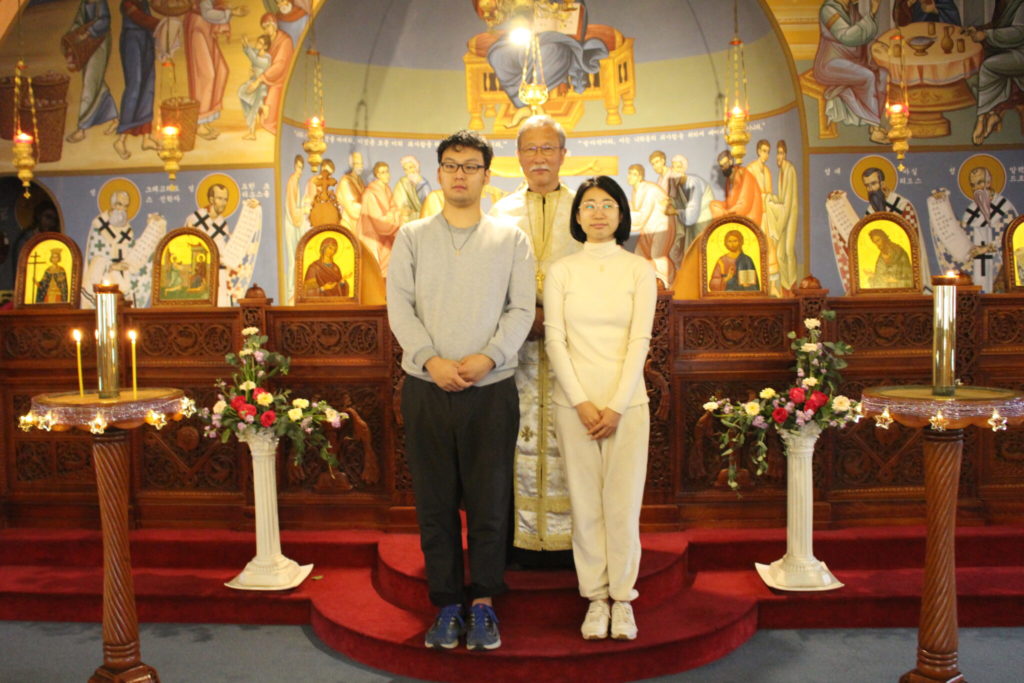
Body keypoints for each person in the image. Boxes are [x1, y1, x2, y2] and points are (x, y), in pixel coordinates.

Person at [387, 130, 534, 651]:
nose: (459, 174)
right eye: (450, 165)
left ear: (486, 176)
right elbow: (400, 307)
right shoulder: (412, 235)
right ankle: (447, 603)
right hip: (427, 387)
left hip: (491, 389)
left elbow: (522, 309)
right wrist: (431, 359)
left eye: (470, 166)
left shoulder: (510, 238)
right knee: (435, 502)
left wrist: (487, 357)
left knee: (491, 500)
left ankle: (484, 604)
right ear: (439, 172)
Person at [543, 175, 656, 641]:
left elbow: (640, 340)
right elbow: (554, 340)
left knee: (623, 504)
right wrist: (582, 402)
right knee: (586, 504)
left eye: (607, 204)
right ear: (577, 216)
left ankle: (623, 601)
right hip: (575, 405)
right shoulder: (562, 271)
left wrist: (615, 405)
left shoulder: (639, 269)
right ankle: (595, 598)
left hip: (628, 405)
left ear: (621, 214)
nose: (597, 213)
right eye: (588, 205)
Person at [489, 115, 580, 564]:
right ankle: (519, 544)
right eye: (530, 149)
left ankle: (569, 546)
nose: (539, 158)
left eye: (548, 149)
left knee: (570, 439)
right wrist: (525, 319)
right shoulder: (499, 213)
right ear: (519, 157)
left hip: (575, 347)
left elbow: (600, 270)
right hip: (515, 349)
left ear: (564, 154)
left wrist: (558, 317)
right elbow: (486, 283)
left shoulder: (587, 207)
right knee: (515, 439)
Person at [812, 0, 889, 144]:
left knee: (883, 74)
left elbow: (863, 34)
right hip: (831, 64)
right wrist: (871, 13)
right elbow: (848, 37)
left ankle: (876, 121)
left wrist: (876, 43)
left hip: (852, 60)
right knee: (868, 76)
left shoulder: (851, 10)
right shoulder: (828, 10)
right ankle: (874, 127)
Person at [184, 0, 248, 141]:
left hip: (205, 28)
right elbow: (207, 13)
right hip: (197, 28)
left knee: (221, 70)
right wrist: (232, 13)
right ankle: (199, 121)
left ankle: (206, 119)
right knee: (205, 74)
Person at [966, 2, 1024, 145]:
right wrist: (979, 30)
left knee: (987, 66)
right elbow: (997, 25)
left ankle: (981, 119)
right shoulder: (1005, 2)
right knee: (975, 69)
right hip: (1008, 48)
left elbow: (1019, 32)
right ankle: (993, 114)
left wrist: (986, 35)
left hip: (1020, 52)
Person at [64, 0, 119, 144]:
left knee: (90, 82)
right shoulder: (84, 3)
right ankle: (114, 118)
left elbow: (105, 21)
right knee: (96, 82)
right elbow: (78, 21)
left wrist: (88, 32)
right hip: (87, 46)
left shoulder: (100, 1)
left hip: (99, 44)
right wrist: (73, 36)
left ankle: (81, 129)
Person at [114, 0, 160, 159]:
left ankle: (146, 136)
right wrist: (160, 24)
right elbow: (138, 17)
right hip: (132, 39)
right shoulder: (127, 3)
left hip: (147, 38)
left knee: (148, 85)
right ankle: (121, 139)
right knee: (135, 84)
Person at [627, 164, 675, 286]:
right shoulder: (636, 191)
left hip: (661, 226)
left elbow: (643, 215)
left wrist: (622, 218)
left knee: (657, 255)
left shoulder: (650, 190)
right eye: (629, 173)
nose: (629, 177)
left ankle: (667, 284)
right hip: (648, 227)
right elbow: (635, 211)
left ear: (640, 176)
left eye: (633, 174)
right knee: (640, 254)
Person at [666, 154, 713, 263]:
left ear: (684, 168)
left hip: (702, 223)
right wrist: (670, 202)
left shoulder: (693, 183)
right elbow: (678, 201)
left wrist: (675, 211)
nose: (675, 170)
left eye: (678, 167)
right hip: (692, 225)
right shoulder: (678, 184)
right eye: (673, 167)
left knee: (700, 256)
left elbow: (691, 215)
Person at [251, 13, 293, 135]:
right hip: (269, 78)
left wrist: (261, 78)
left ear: (274, 25)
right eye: (264, 28)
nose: (266, 30)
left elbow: (280, 65)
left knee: (267, 121)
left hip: (280, 81)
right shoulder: (268, 41)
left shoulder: (285, 40)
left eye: (268, 26)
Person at [358, 161, 402, 277]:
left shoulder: (387, 189)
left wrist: (395, 214)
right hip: (372, 235)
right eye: (382, 172)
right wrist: (394, 216)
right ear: (377, 175)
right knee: (374, 269)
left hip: (385, 234)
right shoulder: (370, 193)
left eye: (387, 172)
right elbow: (377, 219)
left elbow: (394, 207)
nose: (386, 175)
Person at [238, 34, 272, 140]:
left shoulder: (266, 59)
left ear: (265, 47)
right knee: (243, 96)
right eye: (258, 42)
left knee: (252, 108)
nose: (257, 44)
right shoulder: (257, 53)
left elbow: (254, 59)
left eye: (260, 43)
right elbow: (250, 53)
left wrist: (247, 46)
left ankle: (262, 107)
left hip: (260, 87)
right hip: (252, 83)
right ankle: (252, 133)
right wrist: (245, 44)